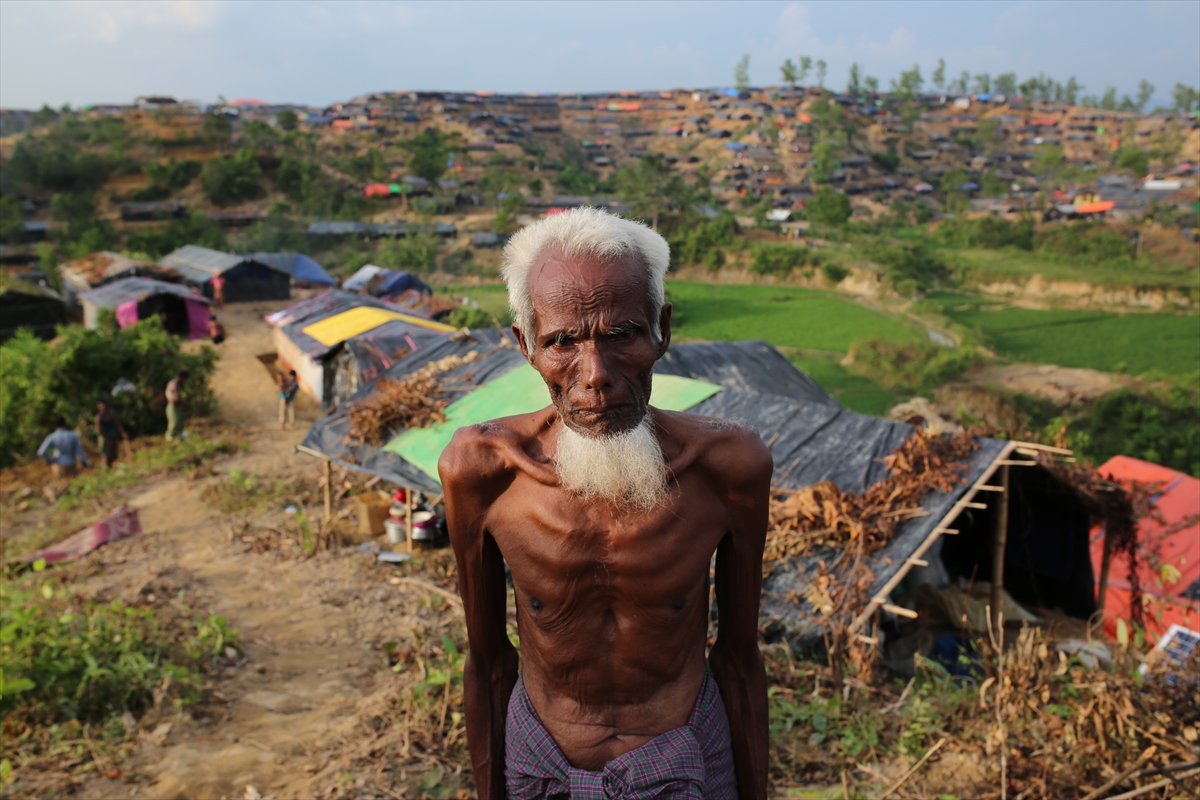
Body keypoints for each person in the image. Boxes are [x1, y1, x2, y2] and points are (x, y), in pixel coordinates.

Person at [439, 208, 771, 800]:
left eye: (622, 335)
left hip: (684, 761)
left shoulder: (729, 467)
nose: (596, 374)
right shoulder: (482, 470)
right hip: (540, 767)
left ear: (661, 330)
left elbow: (740, 660)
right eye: (562, 341)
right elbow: (489, 663)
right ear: (525, 345)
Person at [94, 399, 129, 468]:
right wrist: (107, 441)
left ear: (106, 404)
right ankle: (105, 471)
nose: (102, 407)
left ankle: (110, 469)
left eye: (103, 405)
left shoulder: (112, 413)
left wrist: (122, 432)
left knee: (112, 456)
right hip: (104, 438)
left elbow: (117, 424)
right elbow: (100, 432)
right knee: (105, 456)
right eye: (100, 406)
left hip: (112, 436)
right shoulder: (99, 418)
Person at [165, 370, 188, 440]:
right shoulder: (174, 385)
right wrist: (182, 401)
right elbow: (175, 398)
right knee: (174, 422)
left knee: (180, 422)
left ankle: (179, 437)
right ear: (182, 378)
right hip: (173, 406)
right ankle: (169, 438)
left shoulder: (176, 384)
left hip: (177, 406)